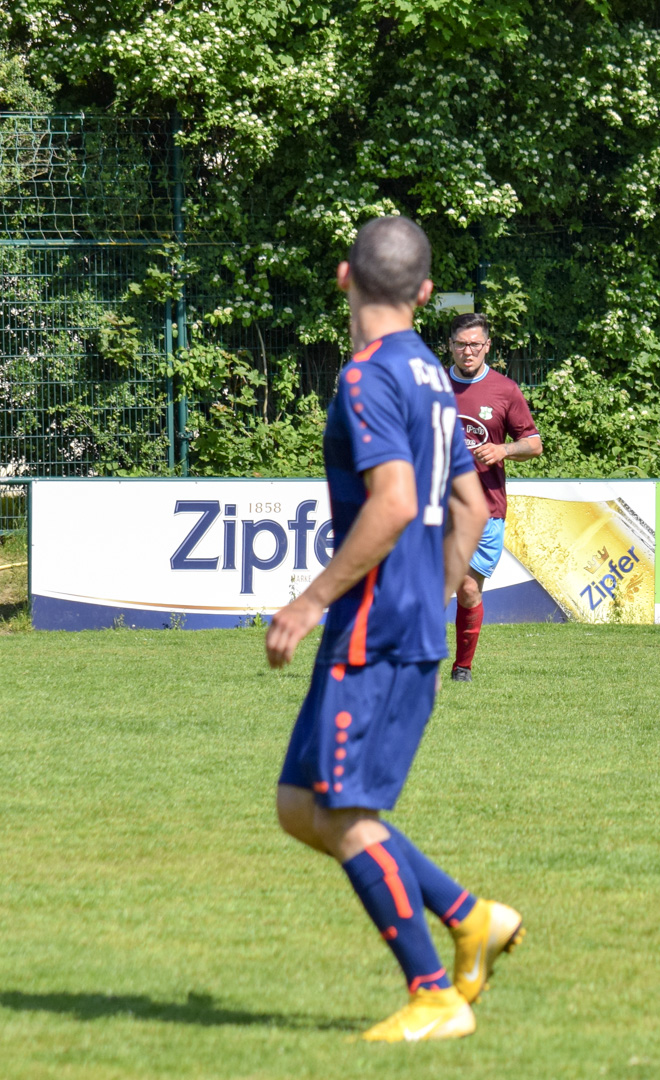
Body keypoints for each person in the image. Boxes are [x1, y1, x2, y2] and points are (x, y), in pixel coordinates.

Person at [267, 217, 525, 1042]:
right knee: (301, 806)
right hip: (400, 621)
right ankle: (470, 915)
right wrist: (434, 595)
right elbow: (468, 505)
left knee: (345, 814)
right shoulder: (431, 377)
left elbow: (394, 502)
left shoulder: (369, 375)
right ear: (424, 294)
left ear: (345, 278)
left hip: (371, 628)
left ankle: (433, 995)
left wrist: (309, 601)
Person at [445, 311, 543, 681]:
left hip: (485, 508)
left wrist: (504, 450)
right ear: (450, 346)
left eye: (474, 344)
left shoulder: (505, 390)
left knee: (469, 589)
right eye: (460, 344)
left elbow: (534, 444)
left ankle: (462, 667)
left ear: (487, 346)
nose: (467, 351)